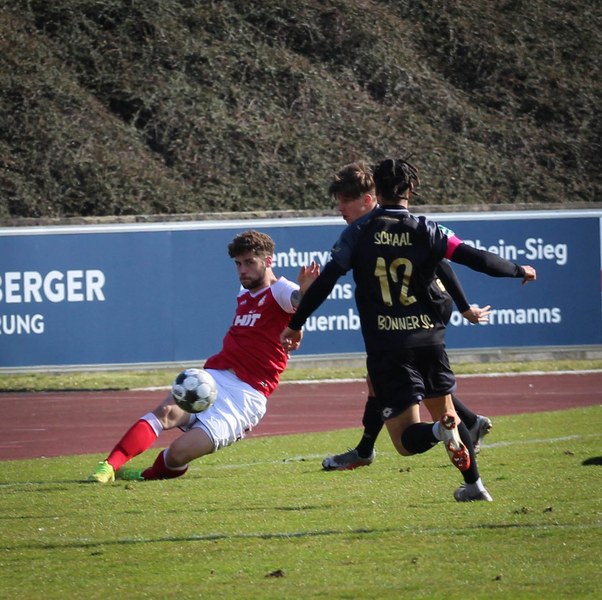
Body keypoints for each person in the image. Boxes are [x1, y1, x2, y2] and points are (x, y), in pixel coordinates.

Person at [281, 157, 536, 502]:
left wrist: (295, 324)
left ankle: (437, 432)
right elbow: (476, 258)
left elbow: (326, 282)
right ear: (411, 188)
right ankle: (475, 485)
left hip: (389, 347)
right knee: (447, 411)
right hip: (430, 341)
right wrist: (518, 269)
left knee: (406, 441)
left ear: (376, 191)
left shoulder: (359, 233)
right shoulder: (428, 229)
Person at [89, 230, 319, 483]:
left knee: (177, 454)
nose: (242, 270)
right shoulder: (245, 292)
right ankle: (108, 466)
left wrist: (306, 294)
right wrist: (296, 327)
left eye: (249, 262)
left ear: (268, 261)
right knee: (165, 412)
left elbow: (297, 301)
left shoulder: (281, 290)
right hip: (212, 378)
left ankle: (145, 476)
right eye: (238, 264)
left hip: (246, 397)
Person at [321, 161, 492, 471]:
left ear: (369, 199)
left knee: (402, 379)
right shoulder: (370, 227)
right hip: (412, 314)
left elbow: (443, 263)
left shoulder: (386, 225)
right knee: (388, 381)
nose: (339, 208)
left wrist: (464, 306)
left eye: (345, 200)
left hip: (421, 310)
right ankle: (466, 427)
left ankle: (371, 449)